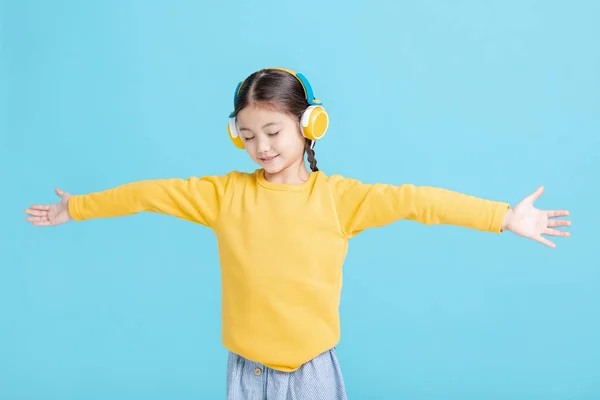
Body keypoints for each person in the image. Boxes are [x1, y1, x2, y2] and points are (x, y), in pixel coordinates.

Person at [24, 68, 571, 399]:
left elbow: (417, 201)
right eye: (247, 136)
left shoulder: (339, 199)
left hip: (312, 371)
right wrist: (81, 209)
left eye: (273, 131)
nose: (261, 147)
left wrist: (503, 216)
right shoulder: (223, 195)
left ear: (309, 126)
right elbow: (151, 194)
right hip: (246, 371)